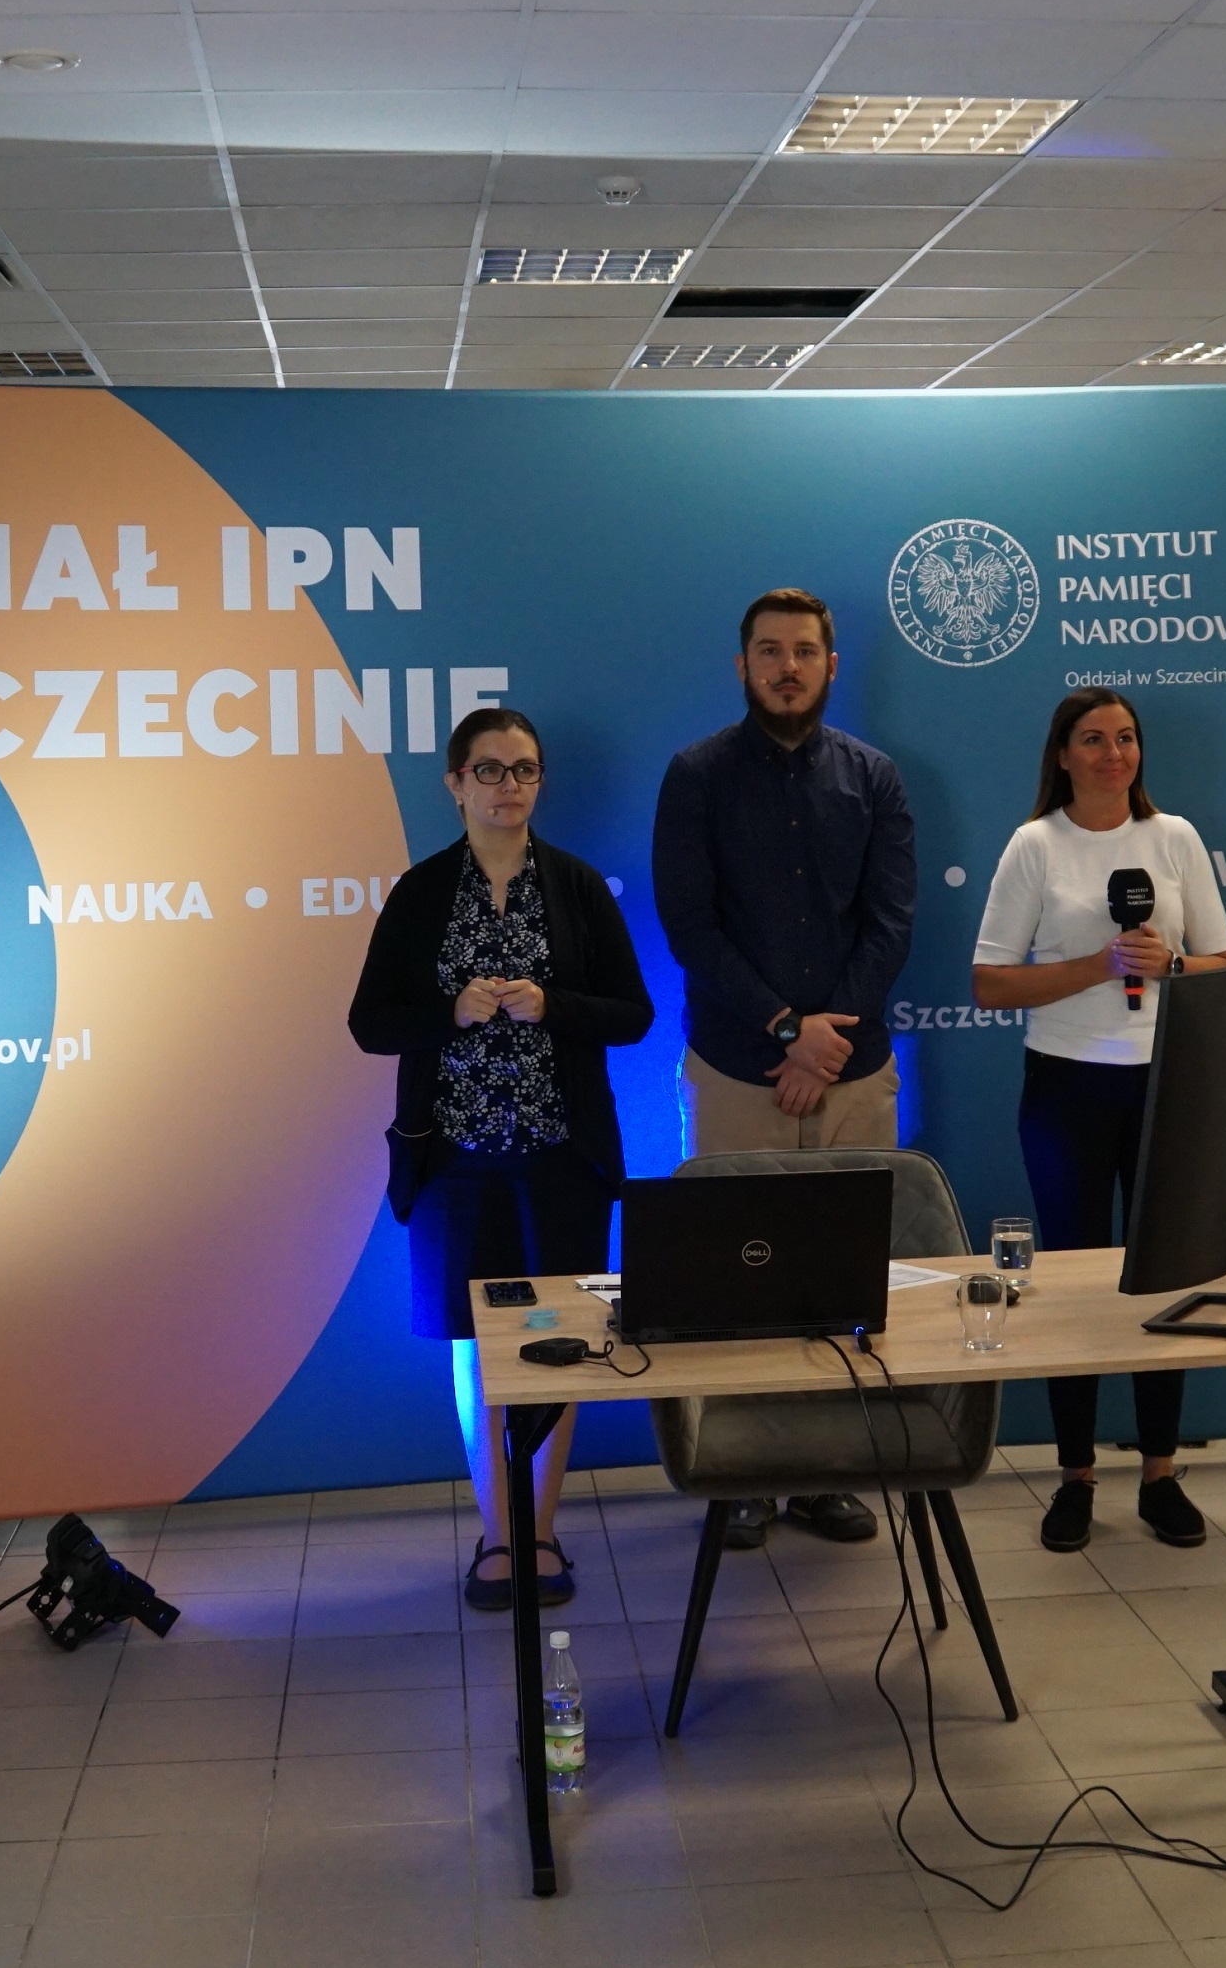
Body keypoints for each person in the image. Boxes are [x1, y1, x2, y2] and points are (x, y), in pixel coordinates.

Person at [349, 708, 651, 1613]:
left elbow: (633, 1014)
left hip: (562, 1157)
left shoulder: (577, 885)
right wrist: (452, 1011)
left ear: (539, 781)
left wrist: (552, 1005)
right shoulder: (421, 893)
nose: (508, 785)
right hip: (453, 1163)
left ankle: (542, 1529)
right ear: (455, 784)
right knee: (477, 1346)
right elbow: (369, 1024)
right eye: (489, 769)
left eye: (524, 769)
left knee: (559, 1341)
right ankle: (497, 1534)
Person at [654, 586, 917, 1552]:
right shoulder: (696, 776)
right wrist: (783, 1029)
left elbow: (891, 922)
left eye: (804, 650)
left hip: (853, 1071)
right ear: (743, 666)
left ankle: (824, 1473)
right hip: (738, 1069)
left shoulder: (875, 777)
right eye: (769, 651)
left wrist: (825, 1040)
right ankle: (746, 1479)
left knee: (844, 1278)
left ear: (830, 665)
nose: (787, 666)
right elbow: (690, 925)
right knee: (737, 1275)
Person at [969, 687, 1226, 1554]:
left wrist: (1174, 963)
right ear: (1063, 754)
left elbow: (1224, 963)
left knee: (1164, 1276)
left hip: (1167, 1085)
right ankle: (1076, 1475)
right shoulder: (1035, 844)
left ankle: (1160, 1472)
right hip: (1067, 1087)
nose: (1113, 753)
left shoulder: (1175, 837)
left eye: (1126, 738)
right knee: (1077, 1280)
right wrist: (1096, 964)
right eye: (1093, 739)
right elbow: (990, 982)